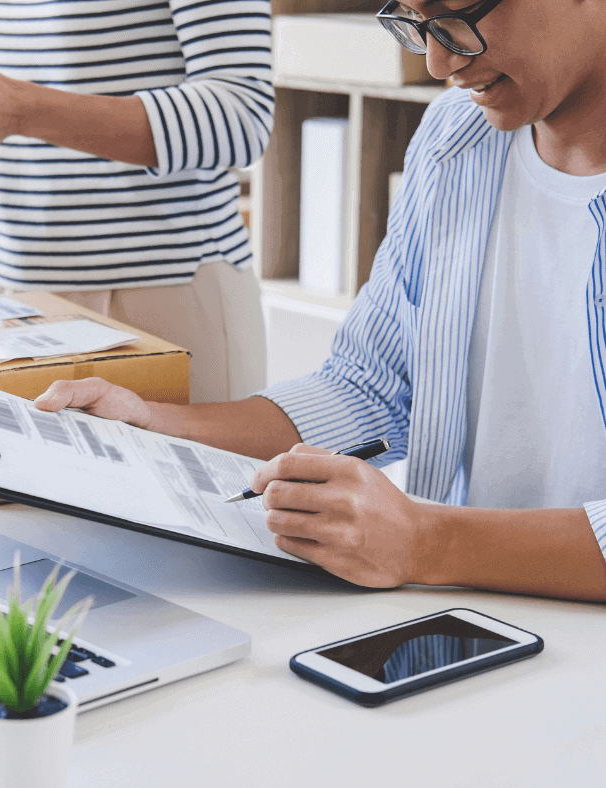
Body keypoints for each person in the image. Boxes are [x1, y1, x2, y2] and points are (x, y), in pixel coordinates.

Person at [32, 0, 606, 602]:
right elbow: (369, 388)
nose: (438, 62)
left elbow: (422, 537)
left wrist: (426, 541)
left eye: (455, 15)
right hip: (482, 616)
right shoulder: (454, 139)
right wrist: (156, 426)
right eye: (414, 22)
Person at [0, 0, 275, 403]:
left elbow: (242, 117)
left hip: (166, 291)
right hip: (16, 294)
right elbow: (6, 84)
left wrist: (18, 109)